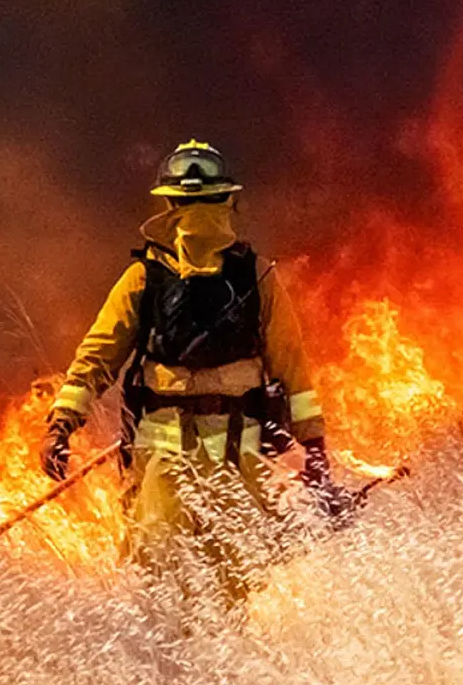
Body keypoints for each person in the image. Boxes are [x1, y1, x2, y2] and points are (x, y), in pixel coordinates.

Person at [40, 139, 345, 610]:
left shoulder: (164, 277)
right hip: (221, 458)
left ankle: (201, 666)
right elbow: (294, 370)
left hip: (181, 460)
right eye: (195, 204)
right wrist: (315, 452)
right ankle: (195, 666)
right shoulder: (245, 277)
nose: (199, 214)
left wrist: (62, 426)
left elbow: (95, 358)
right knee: (207, 578)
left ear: (167, 207)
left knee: (179, 574)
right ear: (231, 201)